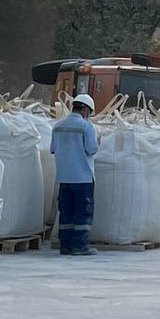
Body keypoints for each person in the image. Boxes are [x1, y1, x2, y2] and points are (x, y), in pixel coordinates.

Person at [51, 94, 99, 256]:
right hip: (83, 177)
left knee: (66, 212)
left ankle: (65, 245)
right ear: (85, 110)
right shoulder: (86, 127)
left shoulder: (58, 126)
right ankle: (79, 246)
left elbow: (52, 149)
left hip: (64, 177)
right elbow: (91, 149)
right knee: (82, 212)